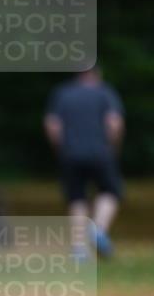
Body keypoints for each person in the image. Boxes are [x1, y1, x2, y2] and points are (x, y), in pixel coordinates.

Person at [44, 66, 125, 258]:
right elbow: (114, 123)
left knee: (76, 198)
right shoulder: (104, 92)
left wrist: (60, 149)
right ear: (96, 72)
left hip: (70, 154)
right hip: (100, 153)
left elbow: (52, 125)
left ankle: (79, 249)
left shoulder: (62, 94)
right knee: (110, 191)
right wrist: (113, 146)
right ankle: (98, 230)